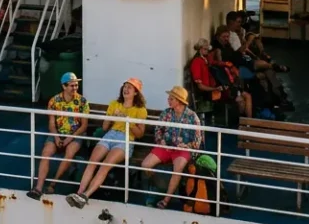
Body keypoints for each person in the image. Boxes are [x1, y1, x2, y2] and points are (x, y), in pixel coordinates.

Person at [68, 78, 147, 208]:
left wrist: (127, 121)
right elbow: (105, 128)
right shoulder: (114, 104)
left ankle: (85, 195)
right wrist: (110, 118)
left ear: (136, 93)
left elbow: (140, 134)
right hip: (110, 135)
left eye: (129, 87)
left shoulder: (140, 110)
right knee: (92, 162)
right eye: (125, 86)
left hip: (126, 139)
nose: (126, 89)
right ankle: (79, 193)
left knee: (105, 165)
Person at [27, 72, 90, 199]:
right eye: (72, 86)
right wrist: (56, 137)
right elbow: (51, 123)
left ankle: (53, 183)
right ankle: (38, 187)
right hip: (57, 133)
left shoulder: (82, 101)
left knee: (70, 153)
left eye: (76, 85)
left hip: (75, 135)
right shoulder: (54, 101)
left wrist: (69, 138)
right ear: (64, 86)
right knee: (46, 152)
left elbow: (84, 125)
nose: (75, 88)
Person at [140, 86, 203, 209]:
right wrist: (161, 141)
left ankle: (166, 199)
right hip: (165, 147)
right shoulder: (166, 113)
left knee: (178, 168)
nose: (168, 100)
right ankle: (157, 184)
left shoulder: (192, 116)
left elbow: (197, 140)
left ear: (179, 101)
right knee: (145, 165)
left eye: (171, 98)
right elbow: (158, 130)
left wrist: (185, 145)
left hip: (182, 150)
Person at [189, 38, 252, 119]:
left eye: (208, 49)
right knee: (241, 100)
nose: (207, 51)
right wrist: (215, 88)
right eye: (205, 49)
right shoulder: (197, 62)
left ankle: (247, 124)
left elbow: (215, 63)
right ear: (200, 49)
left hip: (217, 88)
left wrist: (227, 64)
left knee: (246, 96)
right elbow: (200, 86)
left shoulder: (205, 59)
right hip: (209, 93)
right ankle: (244, 124)